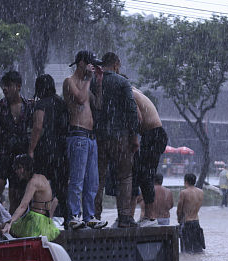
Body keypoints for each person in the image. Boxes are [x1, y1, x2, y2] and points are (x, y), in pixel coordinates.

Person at [92, 52, 140, 228]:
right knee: (125, 176)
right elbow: (131, 110)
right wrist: (134, 136)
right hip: (121, 137)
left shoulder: (94, 81)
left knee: (98, 177)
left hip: (98, 136)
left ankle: (94, 215)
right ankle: (125, 216)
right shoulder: (122, 82)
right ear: (116, 64)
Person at [62, 51, 106, 230]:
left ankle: (90, 216)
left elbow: (98, 105)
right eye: (90, 64)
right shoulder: (69, 81)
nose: (92, 68)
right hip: (78, 135)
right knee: (77, 180)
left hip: (91, 137)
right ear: (81, 63)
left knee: (92, 181)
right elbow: (80, 99)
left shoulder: (88, 85)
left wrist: (100, 83)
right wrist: (89, 79)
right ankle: (74, 215)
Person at [0, 71, 33, 206]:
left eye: (9, 85)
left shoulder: (29, 106)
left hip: (20, 156)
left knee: (16, 194)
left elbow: (36, 130)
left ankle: (13, 225)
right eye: (4, 85)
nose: (5, 89)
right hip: (0, 154)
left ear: (18, 86)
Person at [28, 73, 70, 223]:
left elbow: (38, 126)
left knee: (42, 184)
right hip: (62, 150)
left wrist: (31, 149)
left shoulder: (41, 104)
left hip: (45, 150)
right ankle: (65, 217)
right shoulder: (62, 103)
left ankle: (42, 218)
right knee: (61, 186)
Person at [129, 85, 167, 225]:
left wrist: (132, 137)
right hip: (153, 135)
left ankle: (150, 217)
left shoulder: (129, 93)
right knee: (141, 175)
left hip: (153, 135)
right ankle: (133, 216)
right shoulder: (134, 91)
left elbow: (137, 118)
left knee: (146, 176)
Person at [6, 154, 61, 241]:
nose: (16, 171)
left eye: (18, 168)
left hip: (35, 222)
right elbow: (55, 200)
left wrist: (10, 222)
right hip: (45, 221)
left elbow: (23, 206)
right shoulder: (42, 177)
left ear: (24, 168)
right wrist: (50, 218)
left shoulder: (33, 182)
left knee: (7, 227)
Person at [177, 173, 205, 253]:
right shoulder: (201, 192)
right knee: (198, 251)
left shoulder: (184, 192)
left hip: (187, 223)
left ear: (185, 181)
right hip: (196, 222)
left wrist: (179, 220)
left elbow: (179, 209)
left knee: (186, 251)